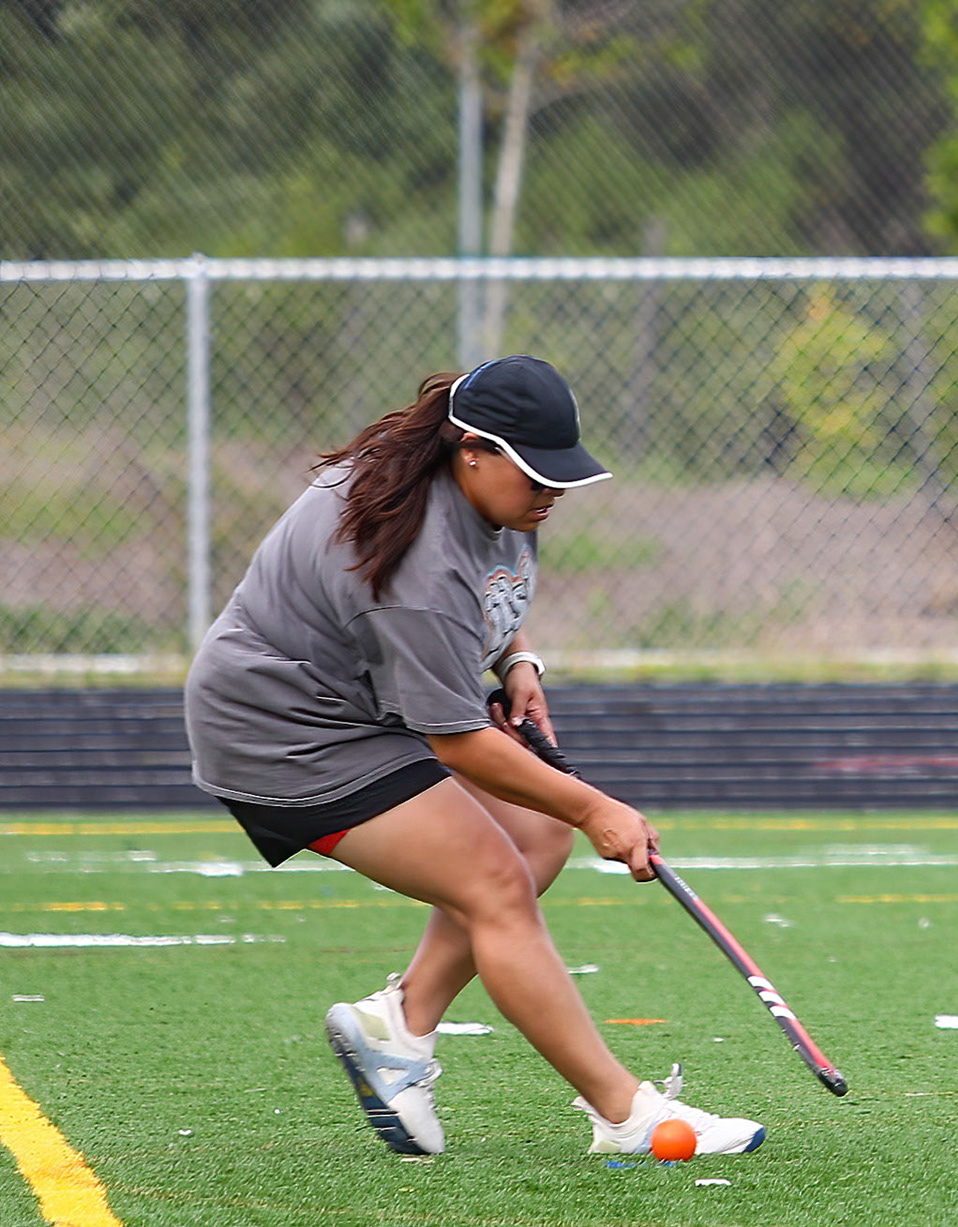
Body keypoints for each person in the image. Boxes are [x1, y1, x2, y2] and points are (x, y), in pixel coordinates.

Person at [184, 356, 765, 1159]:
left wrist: (517, 659)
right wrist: (597, 807)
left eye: (560, 473)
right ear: (472, 451)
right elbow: (457, 737)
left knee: (536, 834)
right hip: (284, 732)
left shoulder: (487, 497)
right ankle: (626, 1116)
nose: (551, 492)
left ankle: (398, 1027)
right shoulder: (416, 560)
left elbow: (485, 593)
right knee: (497, 883)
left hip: (355, 707)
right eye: (535, 474)